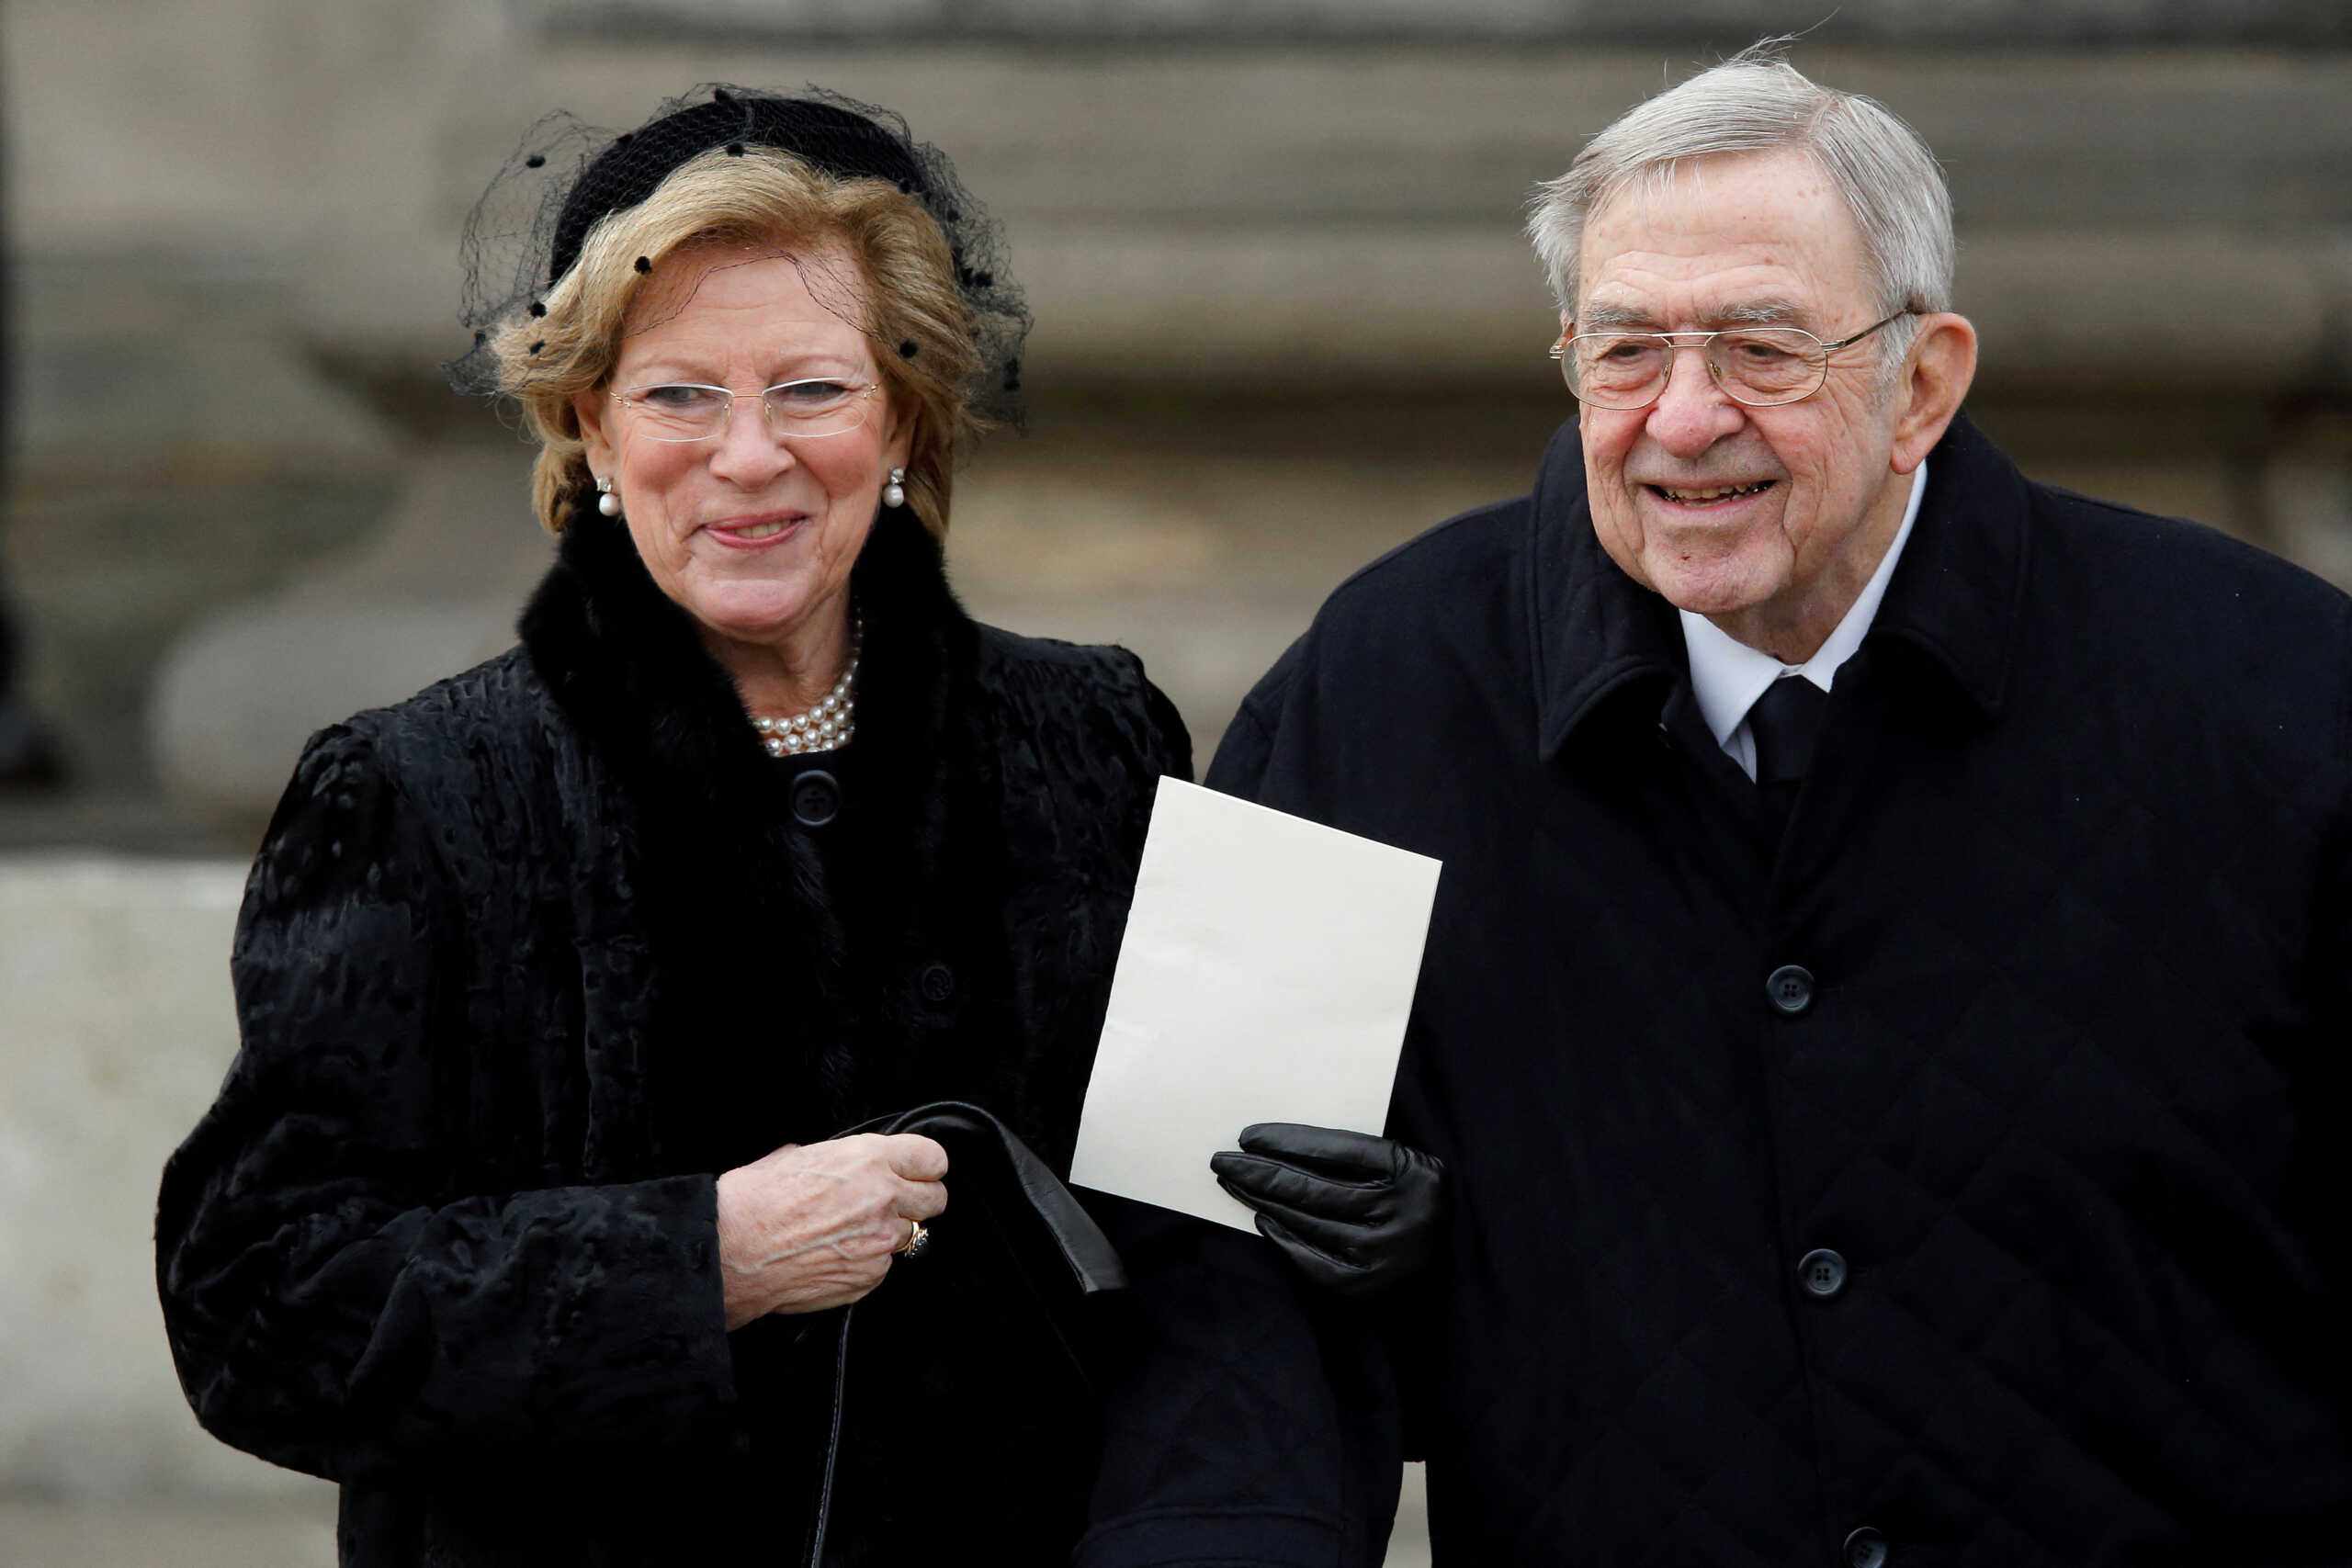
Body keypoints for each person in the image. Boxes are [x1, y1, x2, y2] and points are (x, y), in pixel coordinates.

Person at [1204, 39, 2352, 1565]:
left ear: (1922, 382)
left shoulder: (2282, 684)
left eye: (1760, 348)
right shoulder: (1366, 677)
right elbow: (1196, 1244)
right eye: (1624, 353)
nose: (1682, 420)